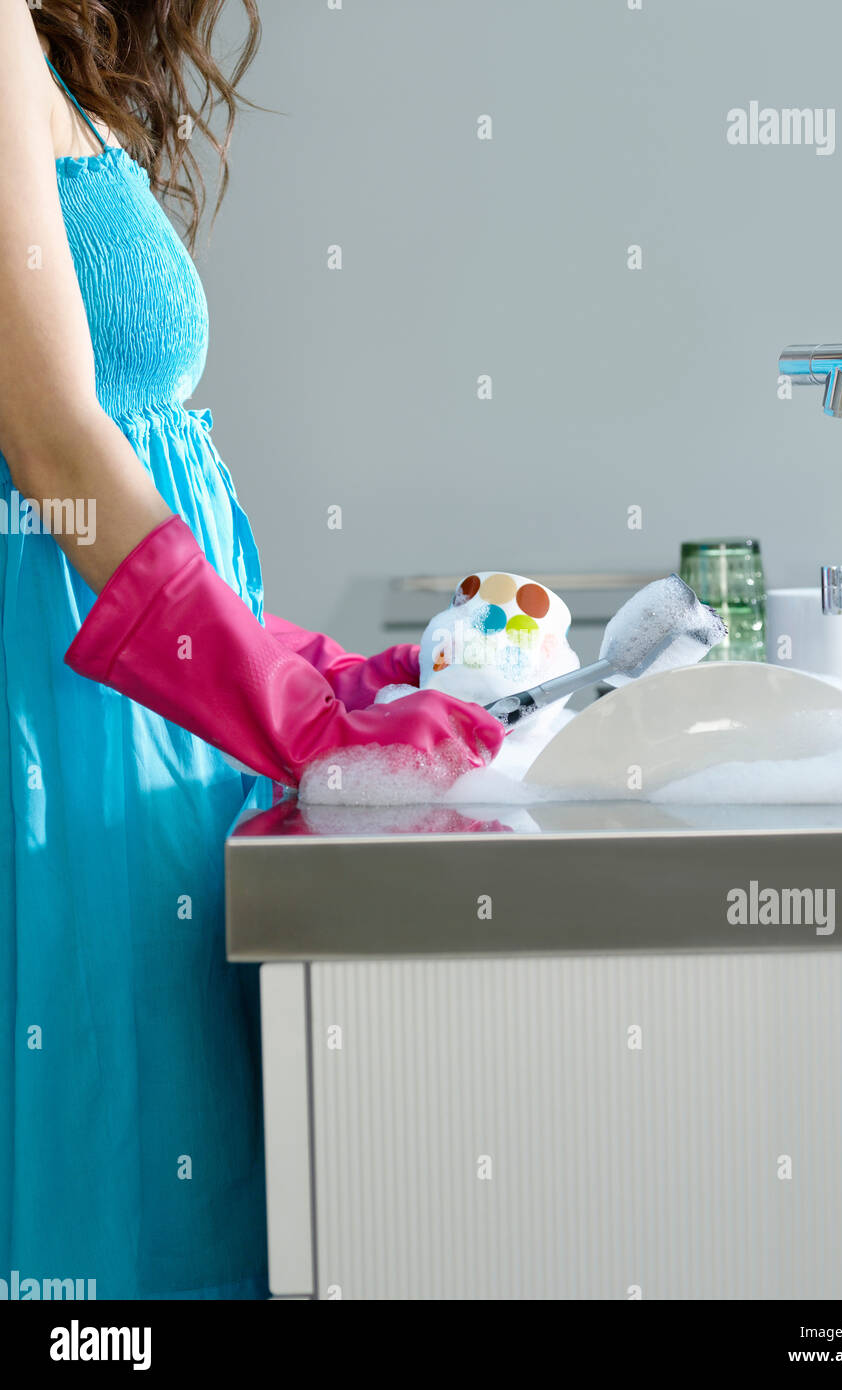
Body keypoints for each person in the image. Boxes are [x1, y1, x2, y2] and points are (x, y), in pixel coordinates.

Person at [0, 0, 503, 1299]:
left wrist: (321, 669)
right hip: (50, 771)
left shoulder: (47, 50)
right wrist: (296, 712)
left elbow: (128, 481)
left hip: (137, 751)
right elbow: (52, 445)